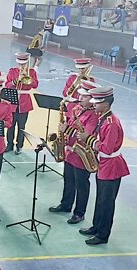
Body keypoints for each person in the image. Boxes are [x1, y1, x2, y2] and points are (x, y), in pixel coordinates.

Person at [77, 86, 130, 245]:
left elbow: (107, 148)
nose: (94, 105)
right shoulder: (103, 117)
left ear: (106, 104)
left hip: (111, 166)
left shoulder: (111, 123)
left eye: (97, 103)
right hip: (104, 164)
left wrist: (88, 139)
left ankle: (102, 235)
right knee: (100, 199)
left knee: (106, 203)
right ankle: (96, 226)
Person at [49, 80, 100, 224]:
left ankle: (79, 212)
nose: (80, 97)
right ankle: (66, 204)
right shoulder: (77, 109)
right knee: (68, 179)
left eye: (84, 96)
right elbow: (70, 125)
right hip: (70, 152)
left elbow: (86, 135)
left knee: (81, 185)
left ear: (92, 99)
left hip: (82, 154)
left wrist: (67, 130)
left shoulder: (94, 115)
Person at [4, 52, 39, 155]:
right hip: (12, 102)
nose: (21, 66)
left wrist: (28, 78)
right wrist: (16, 81)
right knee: (11, 126)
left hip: (24, 103)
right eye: (20, 64)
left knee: (21, 127)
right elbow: (7, 85)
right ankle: (9, 144)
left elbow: (35, 85)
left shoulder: (31, 72)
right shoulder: (12, 71)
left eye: (23, 64)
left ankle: (19, 146)